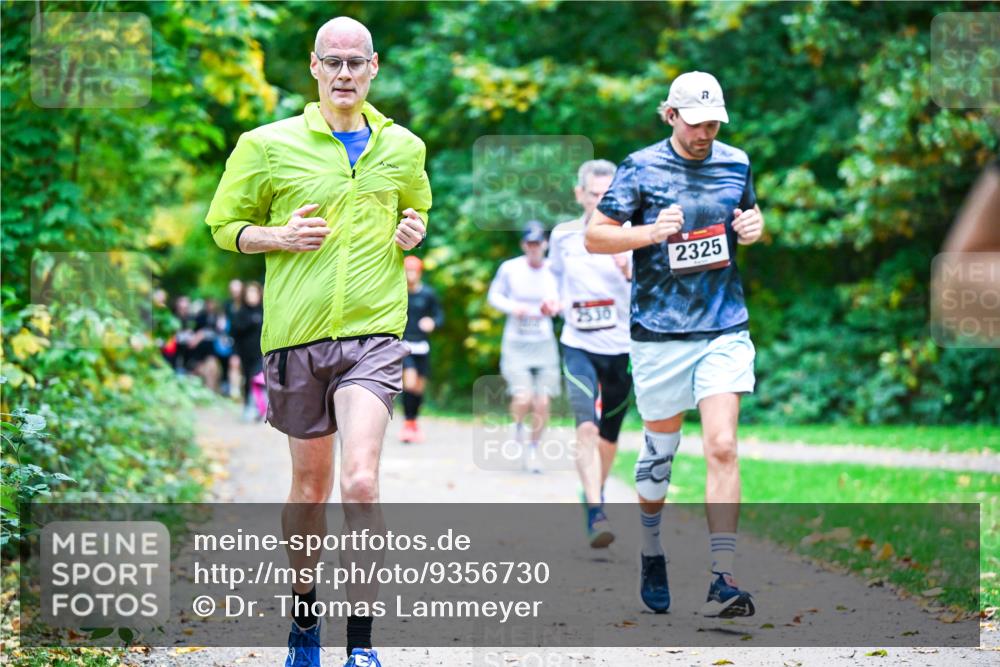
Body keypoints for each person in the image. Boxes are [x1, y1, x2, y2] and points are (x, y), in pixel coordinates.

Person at [205, 15, 431, 667]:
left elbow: (416, 210)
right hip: (295, 339)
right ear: (313, 67)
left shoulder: (404, 148)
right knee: (310, 491)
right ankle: (305, 620)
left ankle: (361, 645)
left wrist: (413, 232)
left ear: (374, 67)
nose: (344, 73)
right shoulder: (266, 144)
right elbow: (224, 225)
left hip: (374, 334)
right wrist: (274, 236)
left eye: (355, 62)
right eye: (332, 61)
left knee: (360, 482)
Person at [584, 71, 765, 618]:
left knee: (723, 445)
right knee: (660, 453)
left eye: (714, 122)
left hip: (723, 327)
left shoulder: (736, 162)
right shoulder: (639, 167)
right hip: (659, 334)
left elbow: (745, 222)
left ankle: (723, 575)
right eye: (695, 123)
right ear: (670, 116)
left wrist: (757, 227)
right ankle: (651, 547)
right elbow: (595, 235)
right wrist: (648, 233)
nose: (705, 132)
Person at [548, 159, 633, 548]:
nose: (601, 201)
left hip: (623, 347)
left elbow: (652, 288)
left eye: (609, 195)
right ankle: (598, 511)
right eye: (595, 195)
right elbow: (556, 277)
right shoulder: (564, 235)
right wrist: (553, 299)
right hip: (578, 343)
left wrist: (629, 269)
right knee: (586, 425)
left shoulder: (632, 233)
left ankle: (592, 493)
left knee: (609, 435)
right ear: (580, 195)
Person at [487, 221, 560, 474]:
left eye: (537, 243)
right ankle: (517, 425)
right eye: (529, 244)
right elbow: (494, 296)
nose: (533, 248)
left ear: (545, 245)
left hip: (544, 343)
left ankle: (533, 449)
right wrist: (512, 307)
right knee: (523, 396)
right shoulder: (510, 269)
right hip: (516, 343)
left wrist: (554, 307)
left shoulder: (554, 270)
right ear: (523, 245)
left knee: (542, 402)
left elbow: (566, 298)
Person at [399, 255, 443, 443]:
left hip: (422, 345)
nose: (410, 275)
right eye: (407, 271)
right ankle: (407, 424)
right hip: (404, 344)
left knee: (418, 388)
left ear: (419, 272)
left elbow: (439, 315)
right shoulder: (398, 293)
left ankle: (413, 422)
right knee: (409, 382)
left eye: (413, 271)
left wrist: (432, 322)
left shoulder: (428, 294)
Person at [231, 281, 265, 421]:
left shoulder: (264, 311)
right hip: (245, 353)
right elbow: (235, 335)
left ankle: (258, 407)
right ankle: (249, 407)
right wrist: (235, 355)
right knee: (247, 379)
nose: (252, 295)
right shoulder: (241, 313)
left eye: (254, 292)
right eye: (249, 292)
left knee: (255, 378)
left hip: (261, 353)